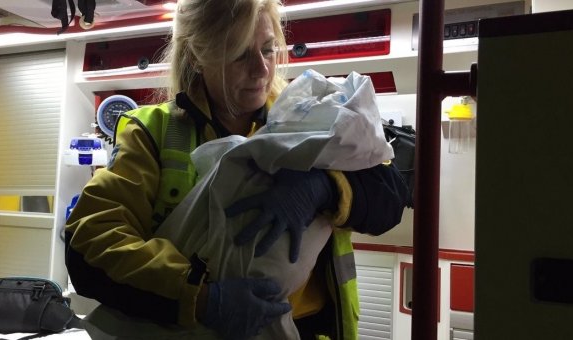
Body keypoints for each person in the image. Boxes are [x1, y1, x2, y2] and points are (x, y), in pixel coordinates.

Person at [64, 0, 411, 339]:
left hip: (310, 328)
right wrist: (202, 298)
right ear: (199, 56)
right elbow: (89, 247)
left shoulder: (310, 115)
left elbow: (391, 197)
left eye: (268, 49)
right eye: (240, 54)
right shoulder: (152, 131)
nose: (261, 68)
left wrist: (325, 186)